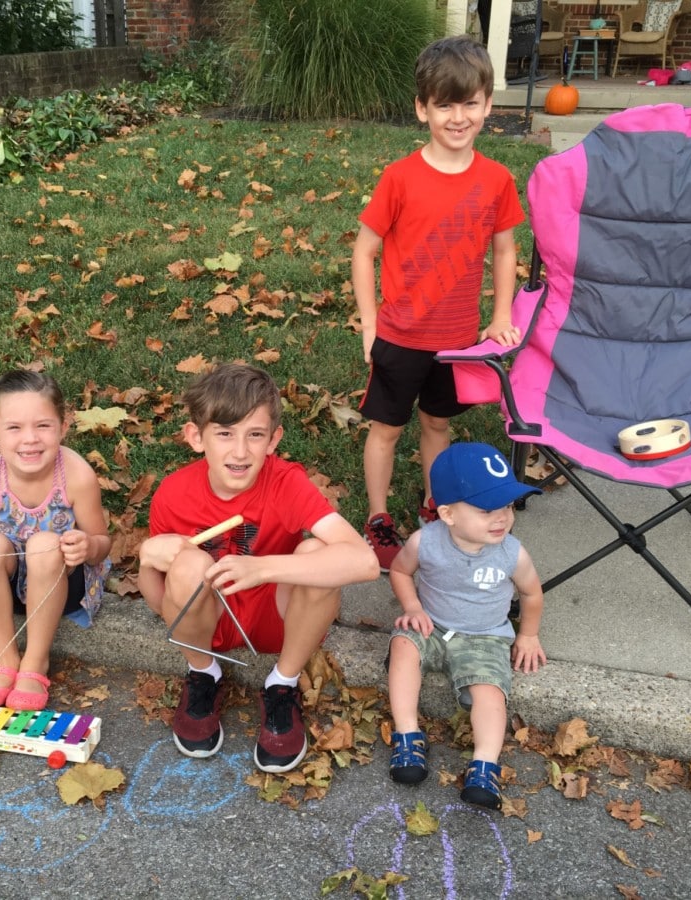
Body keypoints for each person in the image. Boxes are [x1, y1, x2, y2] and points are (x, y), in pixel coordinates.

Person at [137, 363, 379, 773]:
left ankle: (282, 684)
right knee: (187, 564)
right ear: (196, 437)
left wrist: (262, 568)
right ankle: (202, 675)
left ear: (273, 440)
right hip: (208, 623)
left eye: (255, 435)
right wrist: (146, 557)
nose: (240, 451)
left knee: (317, 552)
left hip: (277, 618)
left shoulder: (285, 482)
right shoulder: (174, 493)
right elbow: (159, 597)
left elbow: (365, 561)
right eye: (224, 433)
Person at [352, 34, 526, 570]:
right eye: (444, 104)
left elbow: (504, 249)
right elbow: (365, 252)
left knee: (436, 426)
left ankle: (436, 507)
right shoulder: (400, 178)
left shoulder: (496, 180)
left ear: (488, 105)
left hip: (455, 341)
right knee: (386, 429)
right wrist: (370, 325)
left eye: (470, 103)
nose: (458, 116)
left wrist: (499, 316)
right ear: (422, 109)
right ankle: (378, 518)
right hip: (400, 336)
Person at [386, 442, 545, 809]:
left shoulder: (511, 552)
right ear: (447, 513)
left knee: (490, 691)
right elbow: (399, 570)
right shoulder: (425, 542)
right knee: (402, 646)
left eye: (507, 505)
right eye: (487, 509)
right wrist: (412, 606)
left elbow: (532, 594)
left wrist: (529, 634)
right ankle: (407, 735)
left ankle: (484, 763)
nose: (502, 517)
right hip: (432, 624)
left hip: (485, 636)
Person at [0, 370, 112, 712]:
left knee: (44, 544)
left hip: (61, 585)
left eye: (43, 426)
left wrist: (88, 546)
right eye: (14, 427)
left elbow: (102, 543)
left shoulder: (77, 476)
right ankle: (5, 661)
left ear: (63, 427)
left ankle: (35, 663)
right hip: (8, 594)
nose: (30, 439)